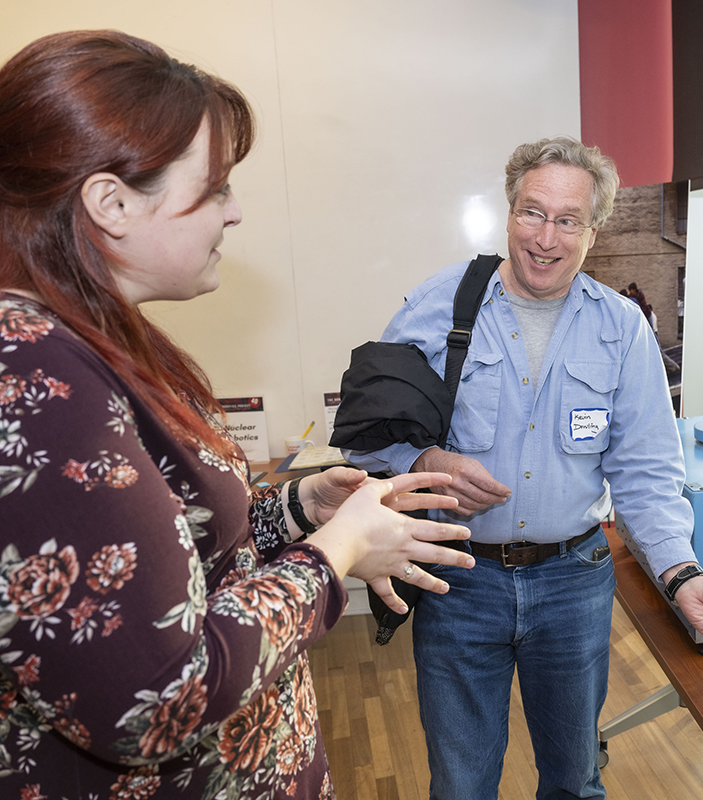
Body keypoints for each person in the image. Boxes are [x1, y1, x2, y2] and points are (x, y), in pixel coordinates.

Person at [0, 30, 474, 799]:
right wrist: (337, 550)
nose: (235, 212)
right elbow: (154, 701)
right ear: (111, 203)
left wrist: (292, 511)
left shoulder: (97, 339)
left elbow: (168, 558)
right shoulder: (31, 370)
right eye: (215, 187)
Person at [345, 136, 703, 800]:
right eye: (532, 213)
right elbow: (363, 437)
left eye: (568, 220)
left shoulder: (621, 330)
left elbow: (645, 473)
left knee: (575, 779)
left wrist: (682, 575)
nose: (546, 237)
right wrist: (424, 459)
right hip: (460, 581)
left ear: (592, 232)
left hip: (574, 586)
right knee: (460, 784)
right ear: (509, 214)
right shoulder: (440, 305)